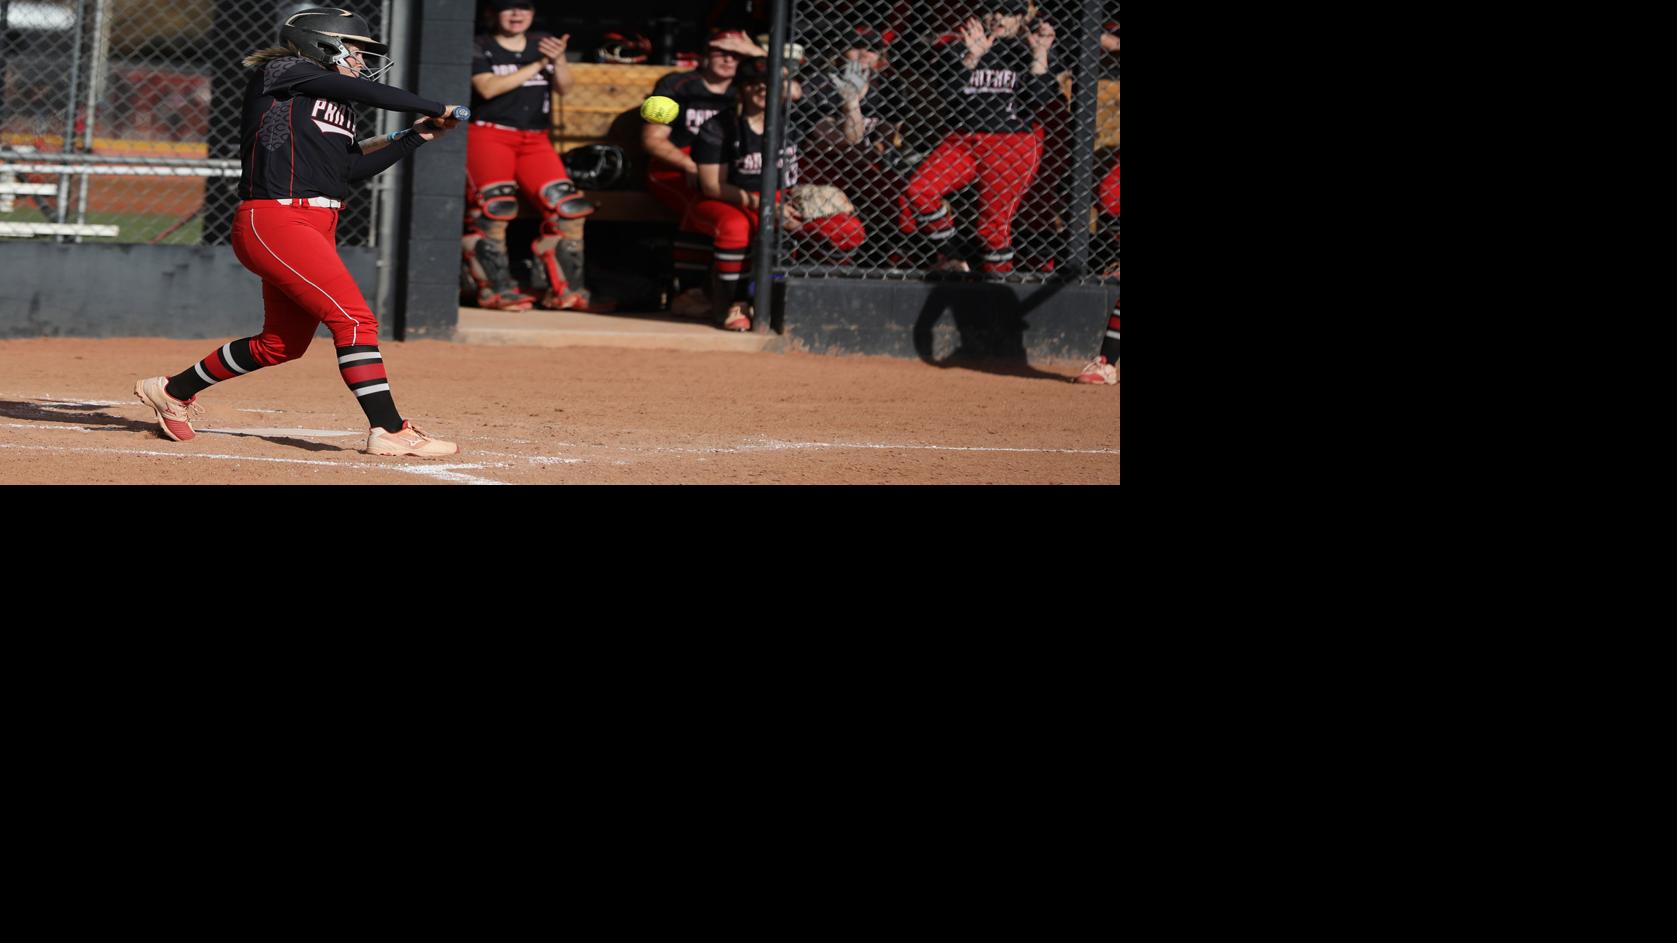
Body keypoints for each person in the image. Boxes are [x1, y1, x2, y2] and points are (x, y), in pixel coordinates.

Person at [131, 6, 463, 457]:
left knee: (280, 345)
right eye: (356, 51)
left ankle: (172, 391)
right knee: (353, 320)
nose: (362, 62)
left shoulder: (334, 104)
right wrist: (437, 105)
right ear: (321, 43)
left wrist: (417, 136)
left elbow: (349, 169)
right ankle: (389, 428)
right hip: (276, 220)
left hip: (316, 221)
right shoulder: (283, 69)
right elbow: (354, 88)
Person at [687, 57, 865, 331]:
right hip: (730, 198)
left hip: (783, 198)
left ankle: (822, 300)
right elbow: (712, 186)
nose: (762, 90)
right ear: (742, 89)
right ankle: (733, 303)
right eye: (754, 84)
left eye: (769, 84)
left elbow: (849, 139)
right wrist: (766, 206)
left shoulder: (793, 119)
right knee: (737, 226)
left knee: (846, 229)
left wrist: (851, 105)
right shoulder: (720, 126)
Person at [462, 0, 602, 311]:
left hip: (535, 140)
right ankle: (495, 290)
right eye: (508, 8)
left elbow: (564, 88)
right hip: (490, 134)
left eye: (524, 8)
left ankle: (566, 291)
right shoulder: (479, 45)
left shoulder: (544, 43)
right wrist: (540, 63)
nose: (516, 14)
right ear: (492, 13)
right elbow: (488, 89)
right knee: (494, 209)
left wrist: (560, 60)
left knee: (570, 208)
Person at [900, 0, 1056, 275]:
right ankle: (953, 256)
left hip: (1010, 143)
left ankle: (997, 292)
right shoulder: (959, 47)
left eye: (1007, 12)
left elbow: (1038, 100)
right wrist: (971, 57)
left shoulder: (1027, 50)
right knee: (920, 190)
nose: (998, 17)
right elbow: (948, 96)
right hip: (963, 139)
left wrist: (1039, 54)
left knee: (991, 230)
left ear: (1021, 18)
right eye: (992, 9)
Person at [642, 28, 766, 317]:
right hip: (674, 168)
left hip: (726, 170)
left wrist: (759, 53)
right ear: (703, 55)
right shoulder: (674, 84)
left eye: (736, 53)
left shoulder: (748, 87)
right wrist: (692, 167)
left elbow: (788, 82)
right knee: (702, 203)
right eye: (719, 51)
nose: (727, 58)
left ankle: (732, 292)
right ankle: (690, 292)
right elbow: (651, 138)